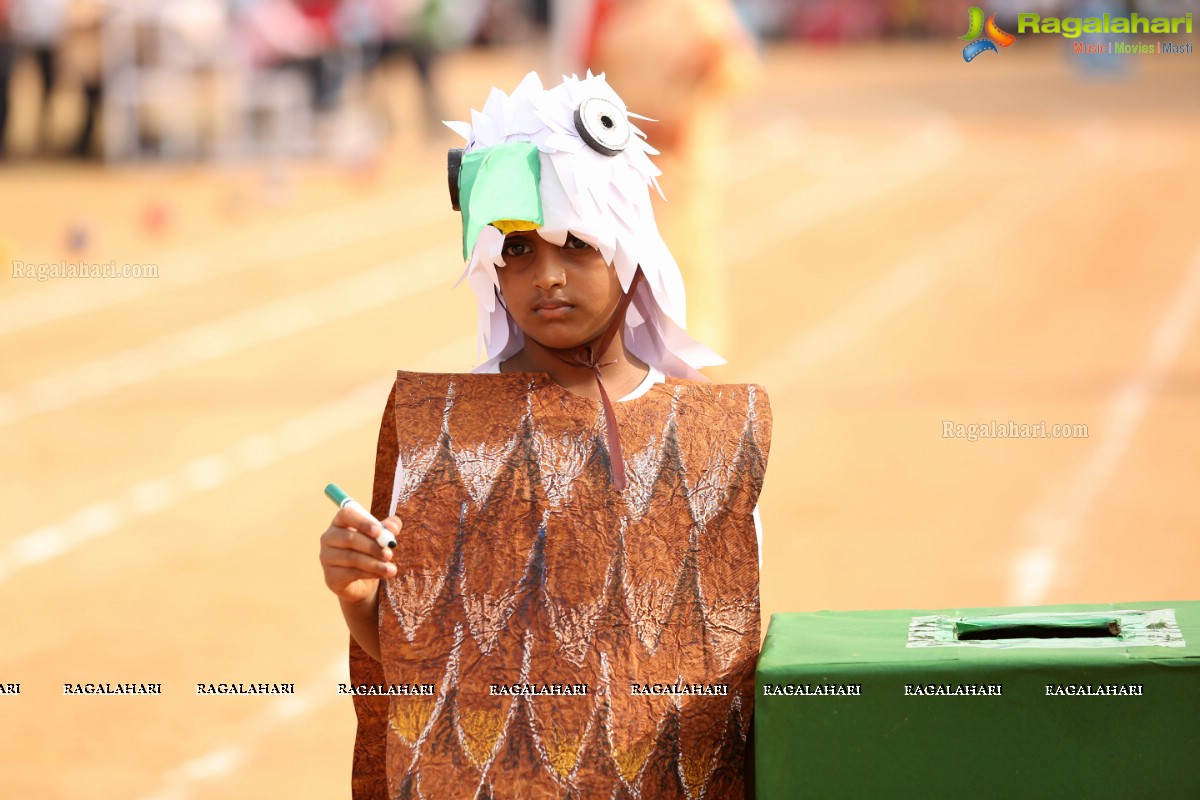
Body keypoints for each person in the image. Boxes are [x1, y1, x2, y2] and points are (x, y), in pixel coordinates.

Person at [319, 71, 771, 800]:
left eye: (577, 247)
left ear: (628, 249)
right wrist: (358, 595)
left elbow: (728, 670)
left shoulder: (715, 435)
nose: (546, 278)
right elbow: (422, 662)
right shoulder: (443, 433)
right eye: (518, 252)